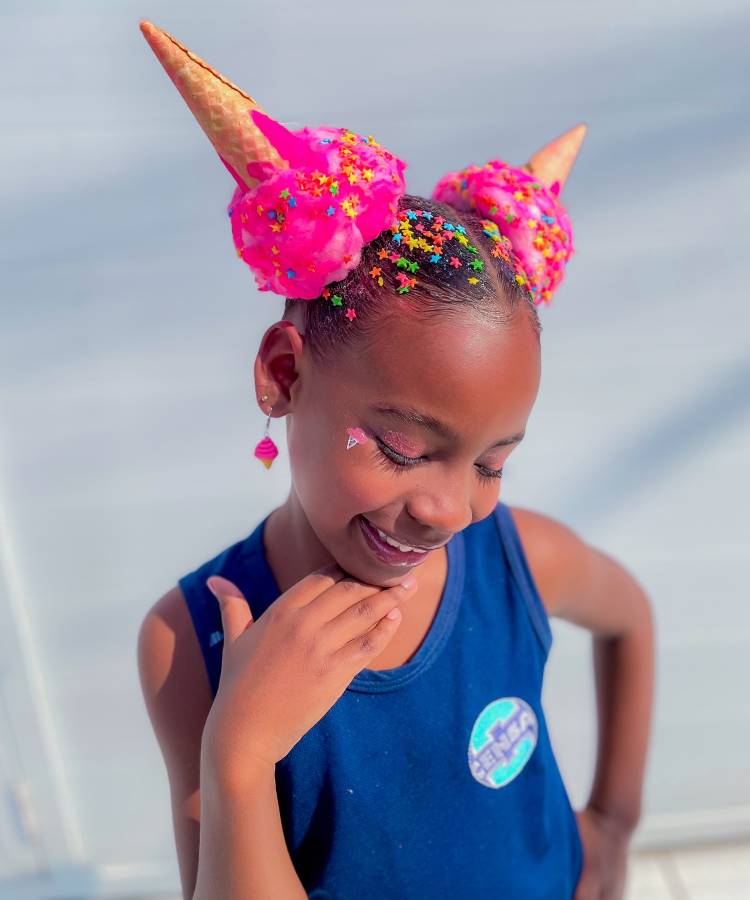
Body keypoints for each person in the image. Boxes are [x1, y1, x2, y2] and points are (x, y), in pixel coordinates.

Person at [135, 19, 655, 900]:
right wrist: (240, 758)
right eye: (403, 449)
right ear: (284, 374)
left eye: (492, 463)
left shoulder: (517, 563)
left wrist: (613, 823)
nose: (449, 508)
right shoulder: (193, 641)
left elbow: (630, 618)